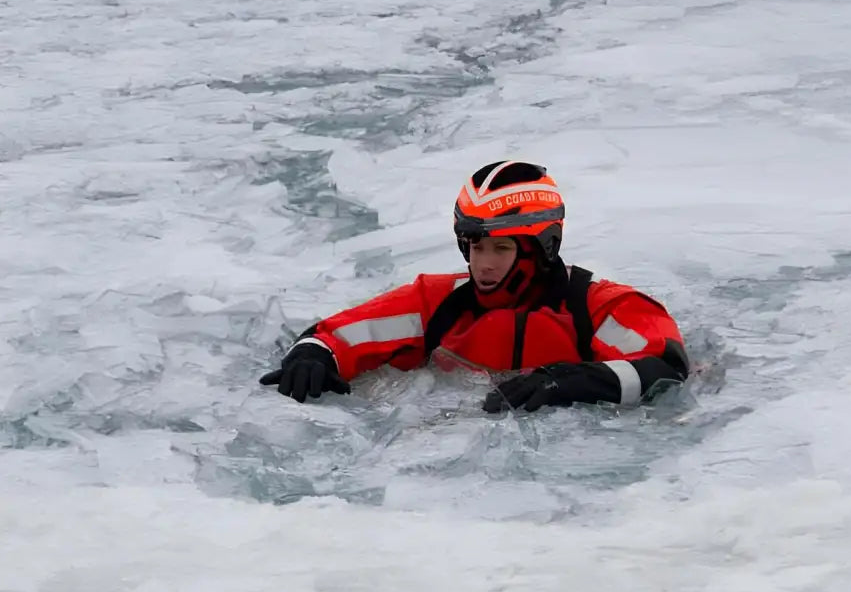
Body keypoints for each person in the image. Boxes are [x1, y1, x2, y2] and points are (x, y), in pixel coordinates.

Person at [259, 161, 689, 412]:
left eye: (500, 249)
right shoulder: (436, 301)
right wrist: (312, 356)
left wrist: (570, 382)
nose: (482, 263)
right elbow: (337, 336)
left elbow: (666, 368)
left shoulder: (602, 307)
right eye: (474, 246)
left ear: (544, 245)